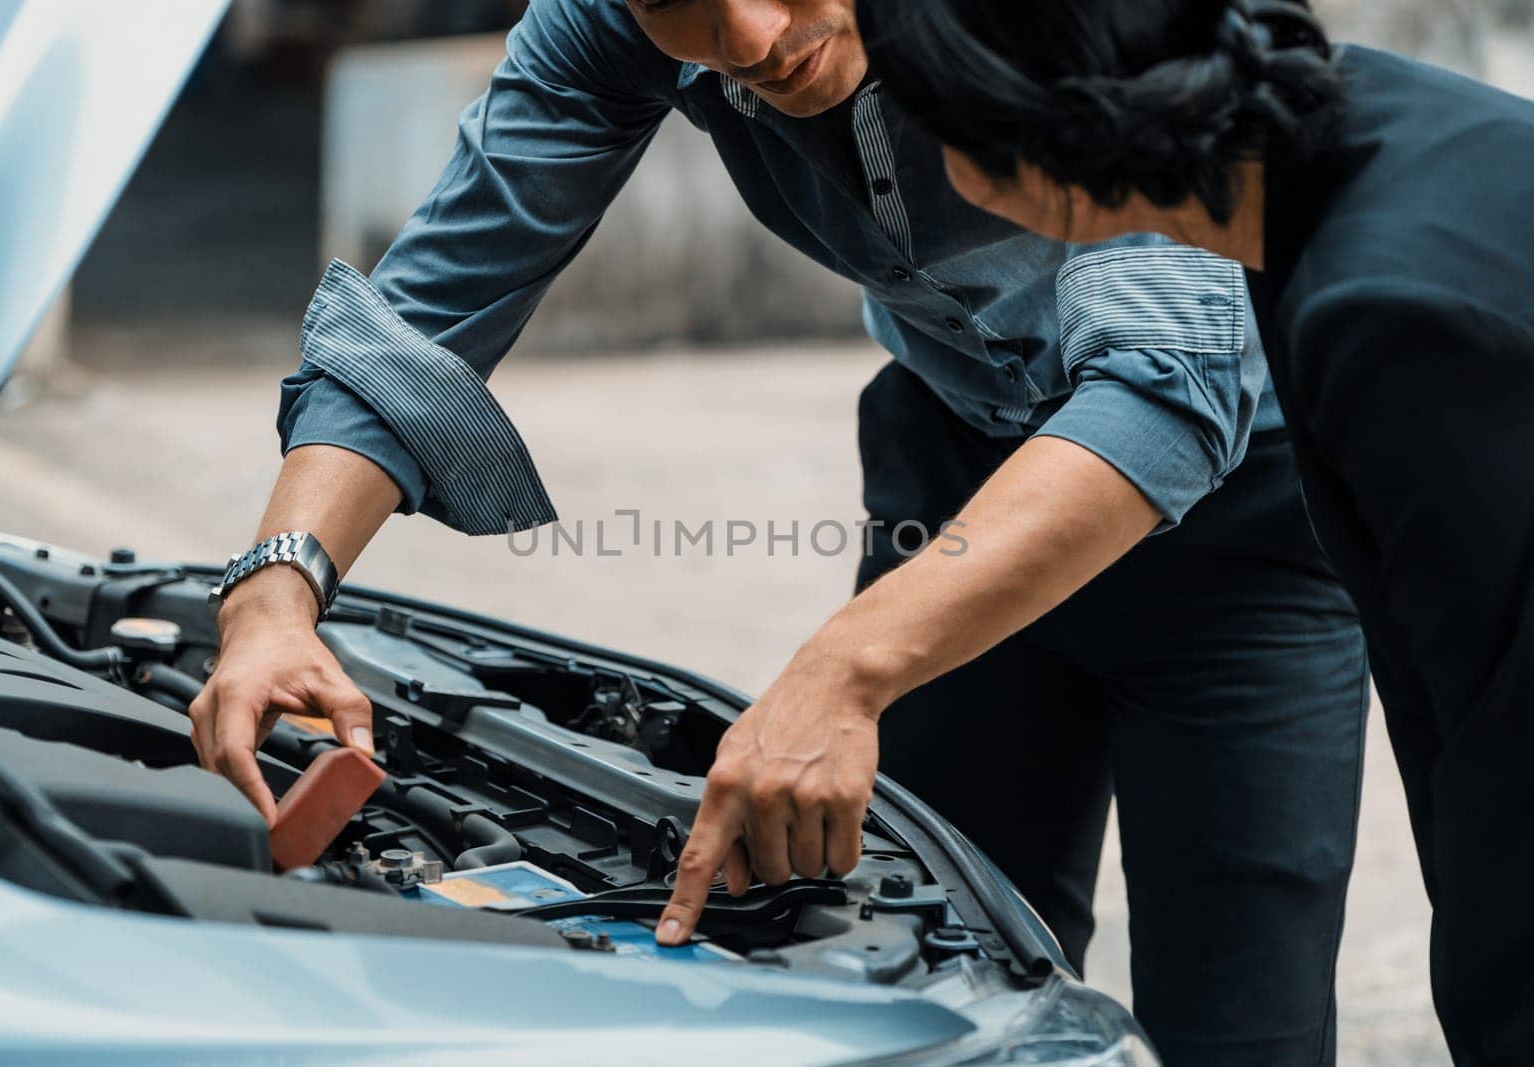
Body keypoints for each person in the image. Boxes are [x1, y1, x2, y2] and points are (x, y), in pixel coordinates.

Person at [191, 3, 1367, 1059]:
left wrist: (841, 668)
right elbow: (422, 315)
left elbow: (1167, 383)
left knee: (1239, 1025)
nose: (750, 41)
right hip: (953, 472)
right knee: (922, 989)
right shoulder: (619, 18)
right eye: (679, 5)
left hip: (1244, 523)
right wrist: (274, 591)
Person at [857, 0, 1534, 1061]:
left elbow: (1506, 754)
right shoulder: (1352, 132)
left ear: (1013, 140)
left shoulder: (1388, 309)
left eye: (924, 123)